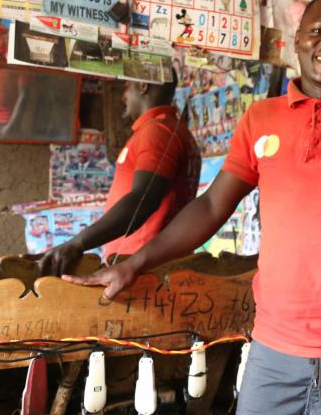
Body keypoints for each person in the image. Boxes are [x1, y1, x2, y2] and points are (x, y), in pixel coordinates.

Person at [67, 0, 321, 415]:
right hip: (273, 355)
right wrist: (135, 262)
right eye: (319, 31)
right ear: (297, 39)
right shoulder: (260, 119)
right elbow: (209, 206)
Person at [37, 74, 200, 274]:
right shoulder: (169, 129)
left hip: (145, 267)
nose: (123, 97)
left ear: (142, 85)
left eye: (126, 86)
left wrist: (78, 242)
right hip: (145, 264)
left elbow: (143, 200)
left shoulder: (158, 132)